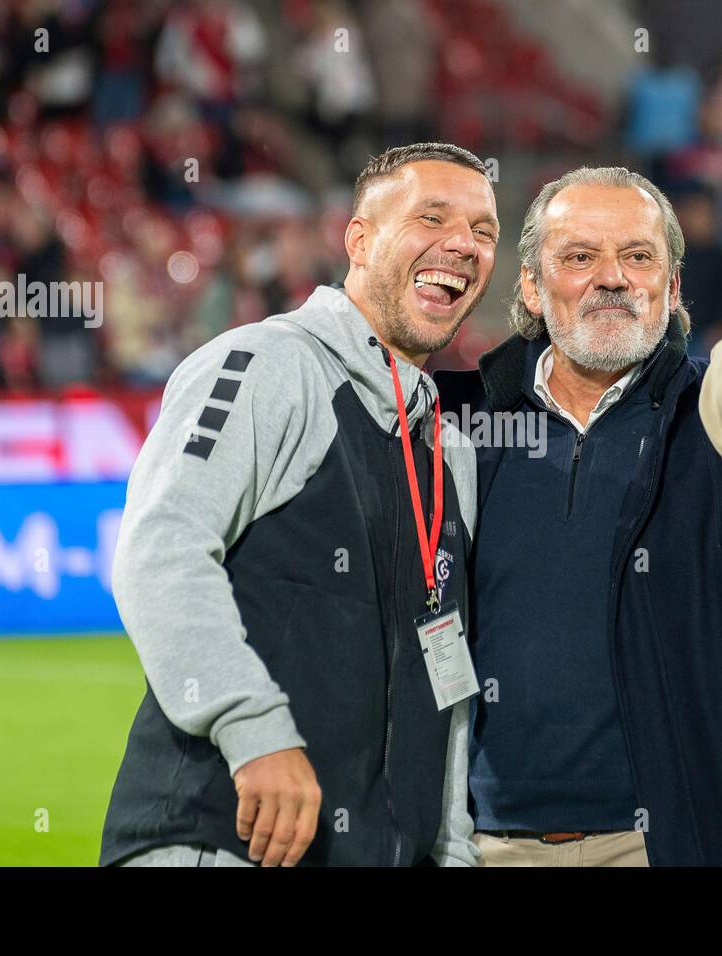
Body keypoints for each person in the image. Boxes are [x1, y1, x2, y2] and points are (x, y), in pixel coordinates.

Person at [435, 166, 722, 866]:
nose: (612, 278)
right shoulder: (457, 420)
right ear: (530, 286)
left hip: (672, 840)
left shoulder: (719, 413)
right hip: (485, 844)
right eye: (580, 257)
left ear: (670, 288)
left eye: (638, 256)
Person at [99, 143, 498, 867]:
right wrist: (257, 730)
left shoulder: (450, 451)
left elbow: (445, 670)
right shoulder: (265, 363)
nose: (463, 245)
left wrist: (450, 843)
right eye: (432, 217)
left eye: (484, 231)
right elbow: (162, 548)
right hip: (220, 839)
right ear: (360, 240)